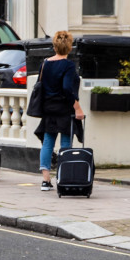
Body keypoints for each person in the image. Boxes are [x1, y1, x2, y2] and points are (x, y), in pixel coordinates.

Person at [34, 30, 85, 191]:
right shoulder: (68, 65)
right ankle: (63, 177)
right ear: (69, 47)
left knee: (48, 143)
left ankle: (45, 180)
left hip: (48, 108)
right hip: (64, 109)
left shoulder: (45, 64)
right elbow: (67, 89)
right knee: (65, 143)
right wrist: (77, 107)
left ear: (54, 46)